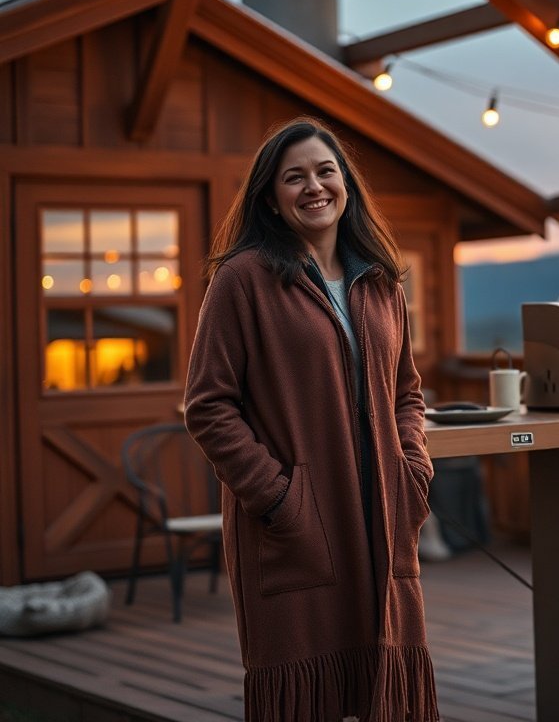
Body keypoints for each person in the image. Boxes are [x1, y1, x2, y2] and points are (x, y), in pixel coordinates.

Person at [184, 116, 438, 722]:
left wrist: (412, 468)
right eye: (293, 177)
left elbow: (407, 391)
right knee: (305, 689)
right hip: (300, 520)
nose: (313, 187)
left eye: (326, 171)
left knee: (386, 679)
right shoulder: (242, 279)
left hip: (381, 510)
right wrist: (276, 496)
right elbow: (208, 405)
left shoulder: (380, 280)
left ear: (346, 183)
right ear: (270, 199)